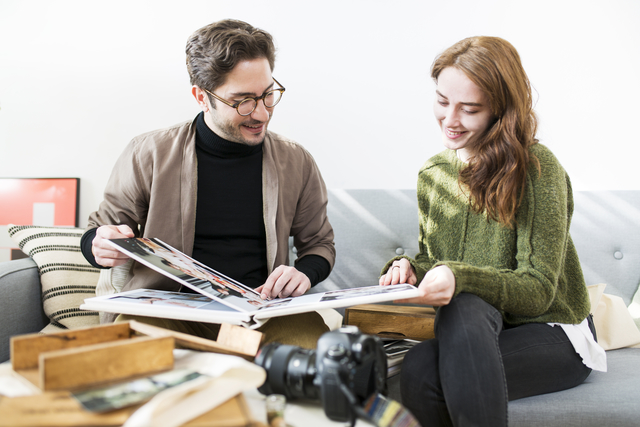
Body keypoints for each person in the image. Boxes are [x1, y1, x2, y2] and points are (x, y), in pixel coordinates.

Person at [379, 36, 606, 427]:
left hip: (553, 332)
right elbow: (436, 258)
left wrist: (457, 276)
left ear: (500, 111)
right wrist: (408, 268)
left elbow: (536, 290)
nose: (450, 120)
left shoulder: (536, 167)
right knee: (418, 365)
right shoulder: (434, 175)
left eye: (469, 109)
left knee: (463, 303)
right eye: (442, 101)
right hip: (478, 329)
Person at [81, 19, 335, 349]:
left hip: (265, 315)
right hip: (168, 310)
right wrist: (99, 244)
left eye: (268, 94)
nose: (261, 113)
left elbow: (319, 245)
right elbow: (100, 231)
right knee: (131, 356)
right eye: (242, 100)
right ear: (202, 96)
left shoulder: (296, 160)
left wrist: (304, 273)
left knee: (320, 366)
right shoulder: (148, 152)